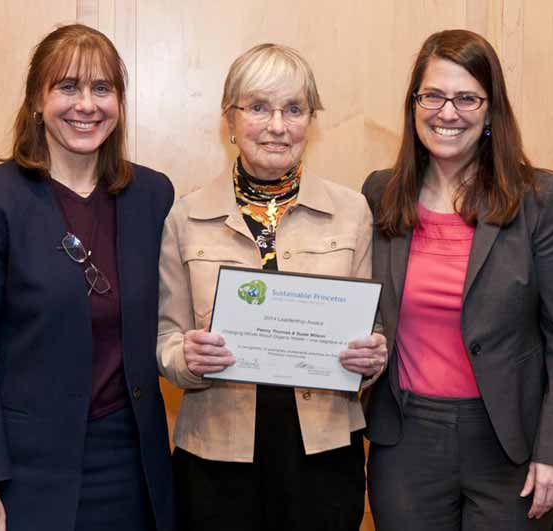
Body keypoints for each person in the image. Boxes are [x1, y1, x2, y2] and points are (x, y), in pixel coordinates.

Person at [0, 24, 176, 531]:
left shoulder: (153, 196)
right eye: (68, 87)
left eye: (102, 89)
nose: (86, 105)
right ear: (36, 102)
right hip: (20, 474)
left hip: (131, 472)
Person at [362, 29, 553, 531]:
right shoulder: (381, 193)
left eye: (467, 97)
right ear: (414, 104)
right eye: (434, 96)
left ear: (490, 110)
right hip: (405, 441)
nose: (448, 112)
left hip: (510, 446)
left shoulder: (539, 196)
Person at [157, 43, 387, 531]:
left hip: (323, 454)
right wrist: (187, 359)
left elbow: (373, 329)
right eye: (258, 107)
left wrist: (372, 359)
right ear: (230, 119)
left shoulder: (353, 213)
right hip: (215, 456)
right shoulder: (186, 216)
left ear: (311, 121)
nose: (277, 126)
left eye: (294, 109)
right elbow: (165, 340)